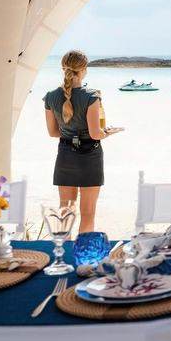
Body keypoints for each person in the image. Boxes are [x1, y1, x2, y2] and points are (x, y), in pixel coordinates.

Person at [43, 50, 120, 233]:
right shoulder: (91, 96)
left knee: (65, 212)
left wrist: (70, 128)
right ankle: (82, 256)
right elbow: (95, 134)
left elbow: (53, 132)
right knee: (88, 214)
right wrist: (108, 132)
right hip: (89, 157)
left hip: (65, 155)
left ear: (64, 68)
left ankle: (64, 255)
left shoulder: (50, 96)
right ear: (84, 69)